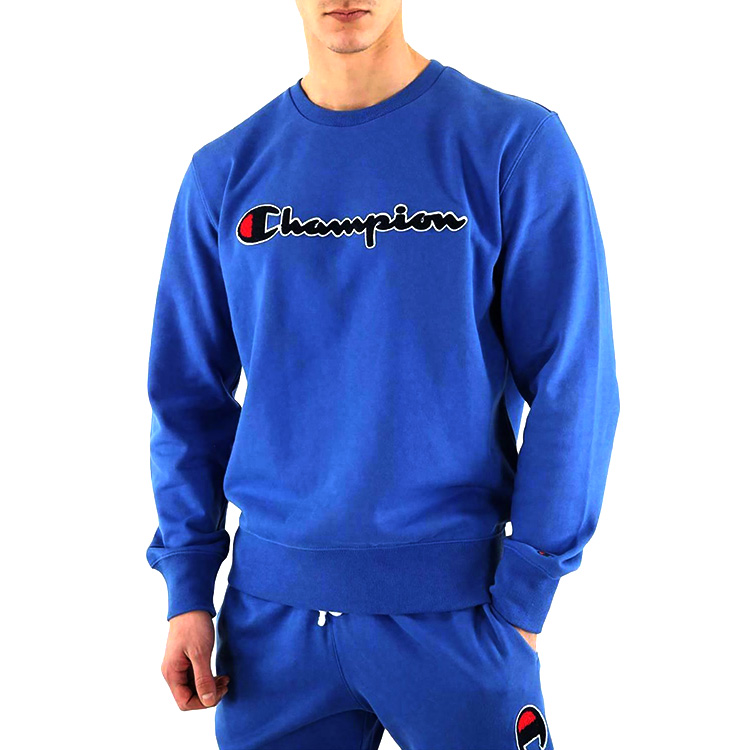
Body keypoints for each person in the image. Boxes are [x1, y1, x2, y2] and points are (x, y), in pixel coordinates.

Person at [146, 2, 620, 748]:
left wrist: (525, 599)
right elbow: (186, 397)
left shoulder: (511, 144)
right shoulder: (225, 172)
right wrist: (187, 590)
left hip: (461, 614)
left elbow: (575, 382)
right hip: (269, 630)